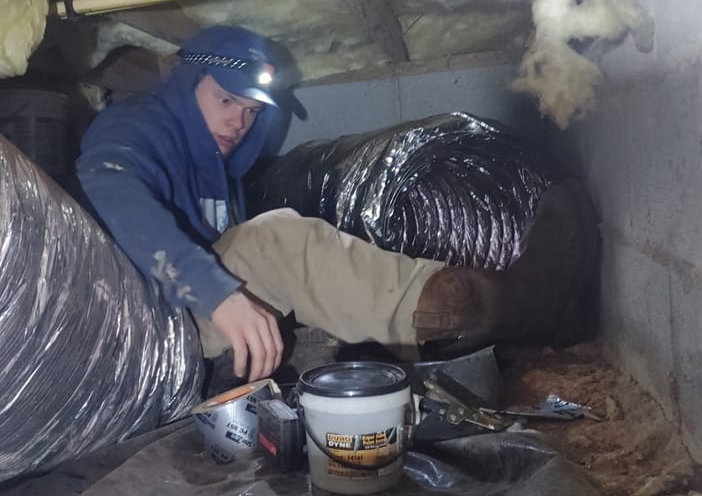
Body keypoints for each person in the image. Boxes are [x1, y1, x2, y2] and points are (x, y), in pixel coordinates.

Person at [76, 26, 598, 382]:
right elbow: (111, 181)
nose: (239, 121)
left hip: (174, 325)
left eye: (252, 110)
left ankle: (446, 341)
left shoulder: (217, 166)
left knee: (292, 264)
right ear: (190, 84)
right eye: (226, 101)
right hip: (141, 329)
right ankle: (509, 307)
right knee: (275, 238)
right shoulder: (136, 124)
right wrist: (217, 295)